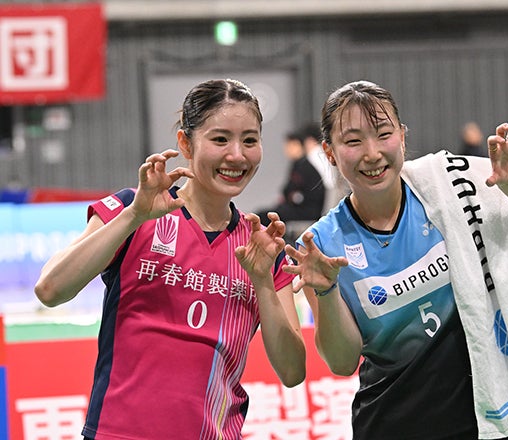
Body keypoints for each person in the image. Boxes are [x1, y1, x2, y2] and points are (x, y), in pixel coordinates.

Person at [283, 80, 508, 440]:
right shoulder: (321, 244)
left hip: (489, 418)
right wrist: (326, 291)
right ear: (330, 152)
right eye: (353, 141)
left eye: (383, 134)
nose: (372, 153)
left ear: (402, 136)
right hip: (392, 423)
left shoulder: (452, 187)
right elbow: (342, 362)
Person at [34, 79, 306, 439]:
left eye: (250, 140)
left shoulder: (262, 248)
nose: (237, 155)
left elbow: (292, 372)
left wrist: (262, 282)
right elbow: (50, 289)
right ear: (185, 143)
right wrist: (134, 216)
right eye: (220, 139)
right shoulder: (134, 209)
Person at [256, 129, 325, 225]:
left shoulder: (304, 167)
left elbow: (297, 191)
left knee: (263, 216)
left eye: (290, 146)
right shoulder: (299, 164)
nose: (287, 149)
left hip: (306, 211)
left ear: (298, 145)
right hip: (300, 208)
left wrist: (293, 198)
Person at [299, 121, 350, 213]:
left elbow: (329, 180)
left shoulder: (314, 154)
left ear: (309, 140)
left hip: (331, 190)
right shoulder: (322, 151)